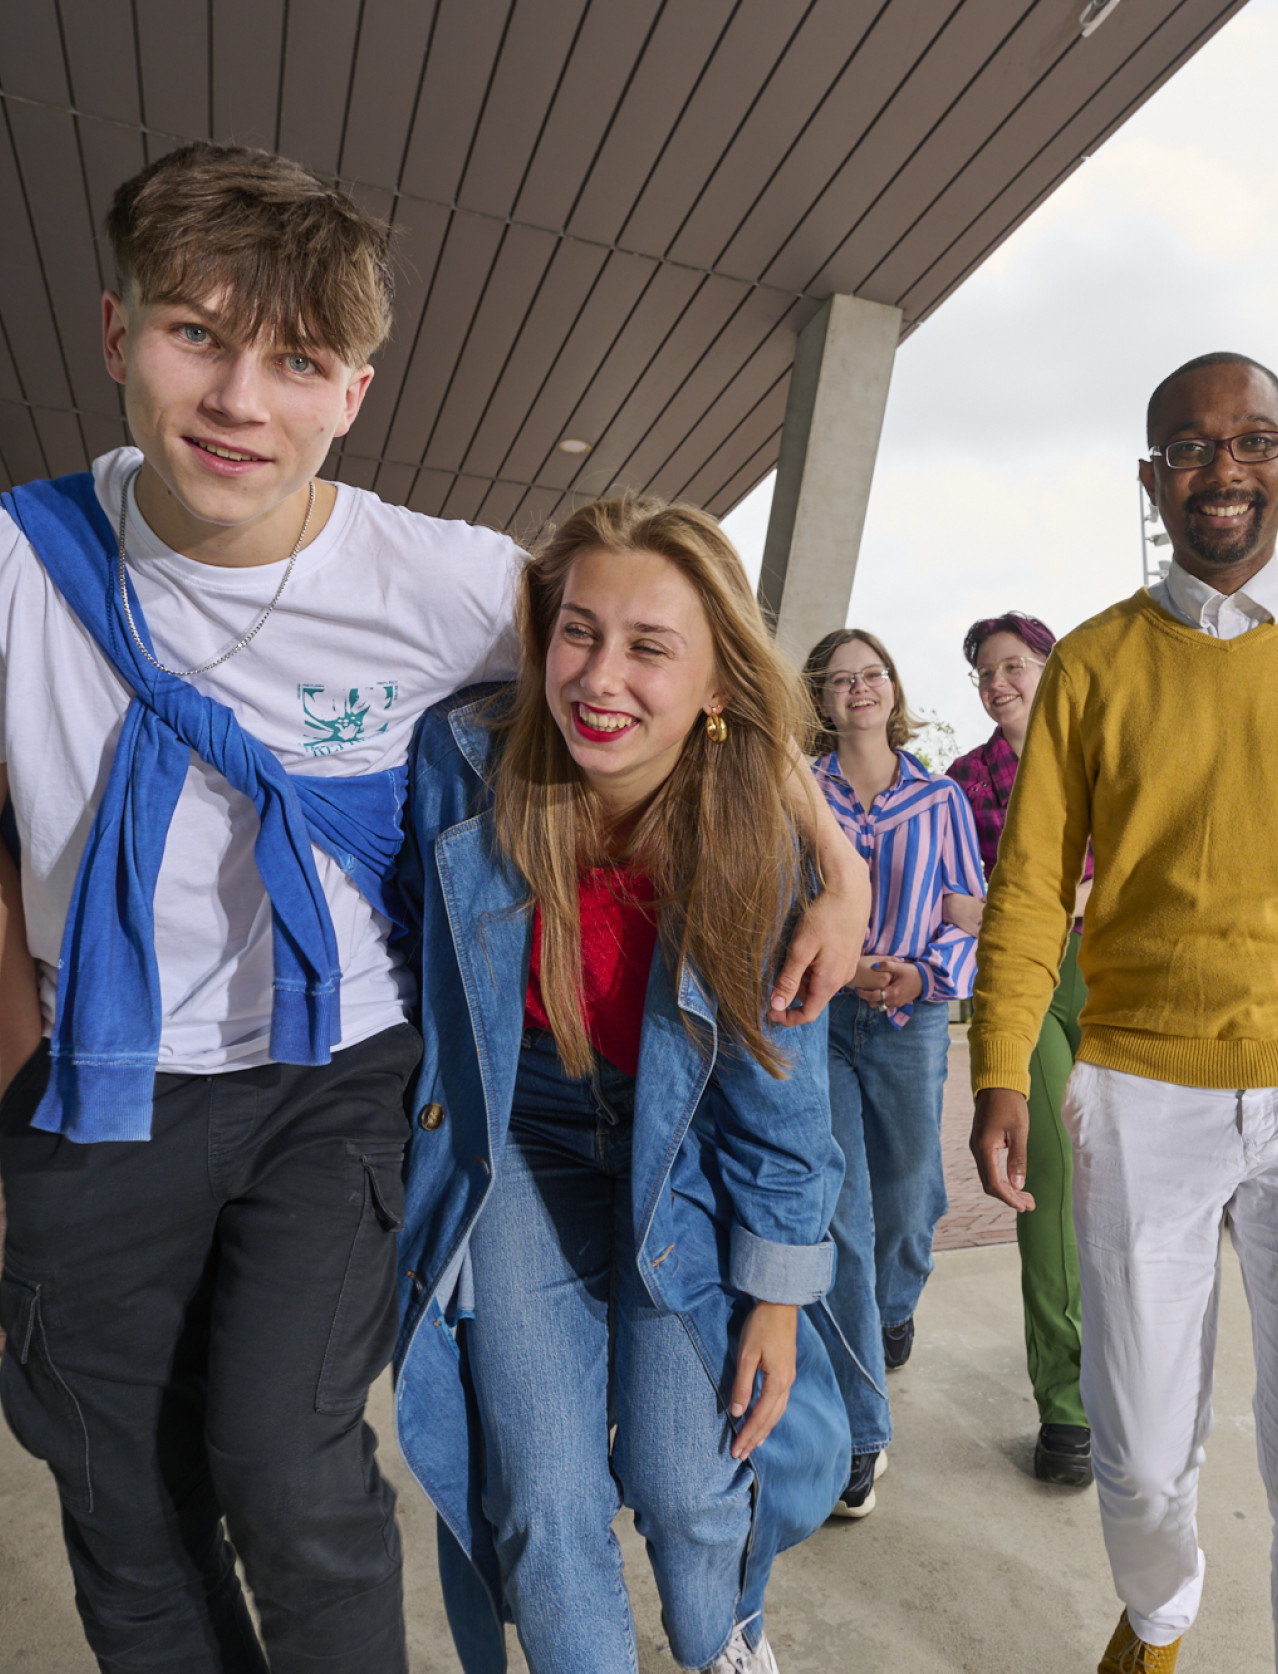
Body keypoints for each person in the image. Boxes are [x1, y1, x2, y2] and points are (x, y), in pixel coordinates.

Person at [0, 142, 867, 1673]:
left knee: (289, 1465)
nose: (236, 399)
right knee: (120, 1498)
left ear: (355, 391)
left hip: (341, 1080)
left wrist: (835, 854)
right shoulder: (21, 561)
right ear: (114, 327)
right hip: (97, 1084)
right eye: (193, 332)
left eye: (296, 359)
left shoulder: (453, 581)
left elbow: (683, 675)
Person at [394, 497, 872, 1674]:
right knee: (544, 1506)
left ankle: (724, 1640)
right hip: (524, 1147)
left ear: (716, 686)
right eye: (578, 632)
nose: (599, 677)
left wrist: (775, 1291)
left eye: (651, 647)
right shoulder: (463, 767)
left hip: (688, 1160)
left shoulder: (754, 832)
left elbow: (780, 1093)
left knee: (688, 1484)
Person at [969, 351, 1278, 1673]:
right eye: (1191, 446)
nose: (1224, 468)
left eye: (1252, 437)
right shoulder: (1093, 662)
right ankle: (1155, 1619)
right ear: (1152, 478)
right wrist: (996, 1067)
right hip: (1137, 1090)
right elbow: (1031, 882)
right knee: (1143, 1450)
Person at [801, 627, 985, 1517]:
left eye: (872, 674)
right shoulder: (801, 792)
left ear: (892, 689)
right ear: (822, 699)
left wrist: (921, 972)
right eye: (842, 680)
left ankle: (894, 1305)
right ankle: (860, 1429)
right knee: (845, 1214)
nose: (860, 689)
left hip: (911, 1020)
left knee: (911, 1201)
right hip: (825, 1021)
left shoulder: (940, 799)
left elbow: (963, 912)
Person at [946, 612, 1094, 1487]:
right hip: (1024, 984)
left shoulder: (1103, 750)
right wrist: (1041, 902)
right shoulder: (966, 780)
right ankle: (1067, 1407)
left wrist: (1047, 894)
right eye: (984, 672)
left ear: (1050, 668)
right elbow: (958, 902)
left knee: (1129, 1187)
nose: (997, 682)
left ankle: (1130, 1378)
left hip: (1118, 974)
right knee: (1047, 1179)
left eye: (1013, 666)